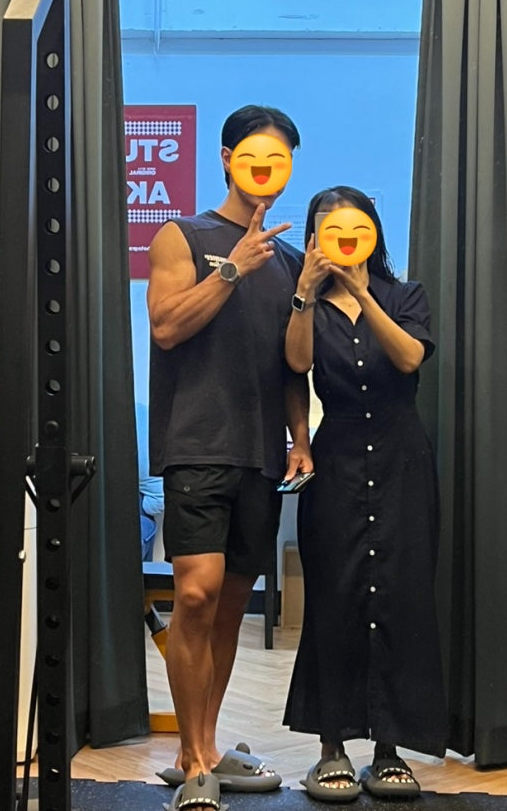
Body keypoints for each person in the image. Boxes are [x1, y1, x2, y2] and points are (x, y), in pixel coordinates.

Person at [146, 105, 313, 811]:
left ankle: (207, 746)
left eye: (280, 160)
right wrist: (233, 270)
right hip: (195, 445)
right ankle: (189, 758)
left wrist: (299, 437)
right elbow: (165, 326)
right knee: (194, 594)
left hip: (260, 453)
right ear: (225, 158)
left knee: (230, 606)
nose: (266, 170)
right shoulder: (181, 235)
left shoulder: (292, 260)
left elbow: (292, 367)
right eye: (254, 156)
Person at [282, 185, 447, 803]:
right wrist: (306, 291)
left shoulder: (405, 296)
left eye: (352, 228)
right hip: (338, 459)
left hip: (404, 460)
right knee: (335, 596)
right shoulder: (304, 301)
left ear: (372, 233)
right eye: (328, 228)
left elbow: (408, 358)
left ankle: (389, 748)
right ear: (314, 237)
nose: (342, 239)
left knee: (401, 598)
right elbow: (296, 364)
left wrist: (362, 292)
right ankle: (331, 747)